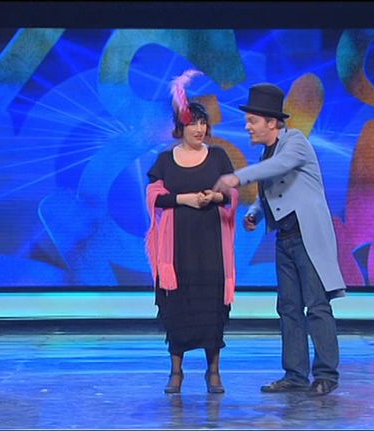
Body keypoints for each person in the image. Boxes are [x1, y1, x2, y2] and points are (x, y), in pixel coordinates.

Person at [213, 83, 346, 396]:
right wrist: (255, 214)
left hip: (307, 237)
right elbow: (272, 190)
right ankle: (295, 375)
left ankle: (326, 374)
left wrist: (237, 177)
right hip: (285, 239)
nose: (247, 127)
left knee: (316, 306)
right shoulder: (267, 151)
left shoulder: (295, 142)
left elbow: (278, 167)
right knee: (288, 307)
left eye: (252, 121)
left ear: (272, 122)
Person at [145, 70, 239, 394]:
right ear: (180, 127)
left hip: (210, 244)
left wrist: (215, 197)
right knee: (177, 307)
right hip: (178, 247)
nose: (199, 129)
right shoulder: (165, 160)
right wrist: (184, 199)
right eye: (192, 124)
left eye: (203, 123)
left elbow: (232, 192)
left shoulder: (218, 157)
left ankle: (213, 371)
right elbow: (154, 197)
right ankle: (176, 372)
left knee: (211, 306)